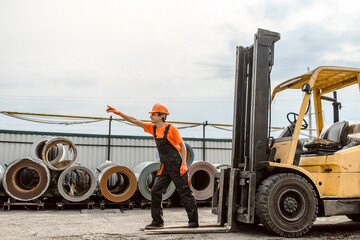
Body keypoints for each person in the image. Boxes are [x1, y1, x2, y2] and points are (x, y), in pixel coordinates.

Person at [106, 103, 199, 229]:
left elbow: (182, 146)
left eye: (153, 114)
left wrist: (183, 164)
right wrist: (119, 113)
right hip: (165, 166)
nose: (150, 116)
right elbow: (135, 120)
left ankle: (193, 222)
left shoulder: (171, 129)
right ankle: (157, 221)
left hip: (177, 164)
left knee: (185, 192)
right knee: (155, 191)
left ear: (161, 116)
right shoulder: (153, 128)